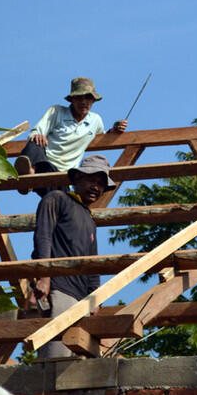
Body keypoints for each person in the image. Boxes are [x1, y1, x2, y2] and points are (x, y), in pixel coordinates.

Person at [29, 153, 113, 358]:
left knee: (79, 368)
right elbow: (43, 236)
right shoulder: (57, 199)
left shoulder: (89, 219)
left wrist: (95, 298)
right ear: (77, 179)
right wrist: (44, 278)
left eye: (101, 183)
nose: (96, 187)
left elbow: (92, 262)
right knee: (55, 361)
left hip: (82, 300)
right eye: (92, 179)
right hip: (60, 291)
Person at [15, 76, 127, 195]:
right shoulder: (56, 111)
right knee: (35, 142)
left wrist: (114, 130)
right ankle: (28, 177)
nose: (83, 102)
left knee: (60, 201)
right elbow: (36, 131)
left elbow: (102, 137)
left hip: (63, 174)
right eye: (79, 97)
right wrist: (38, 135)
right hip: (42, 163)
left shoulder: (95, 120)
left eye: (88, 97)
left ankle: (29, 180)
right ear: (72, 99)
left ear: (93, 100)